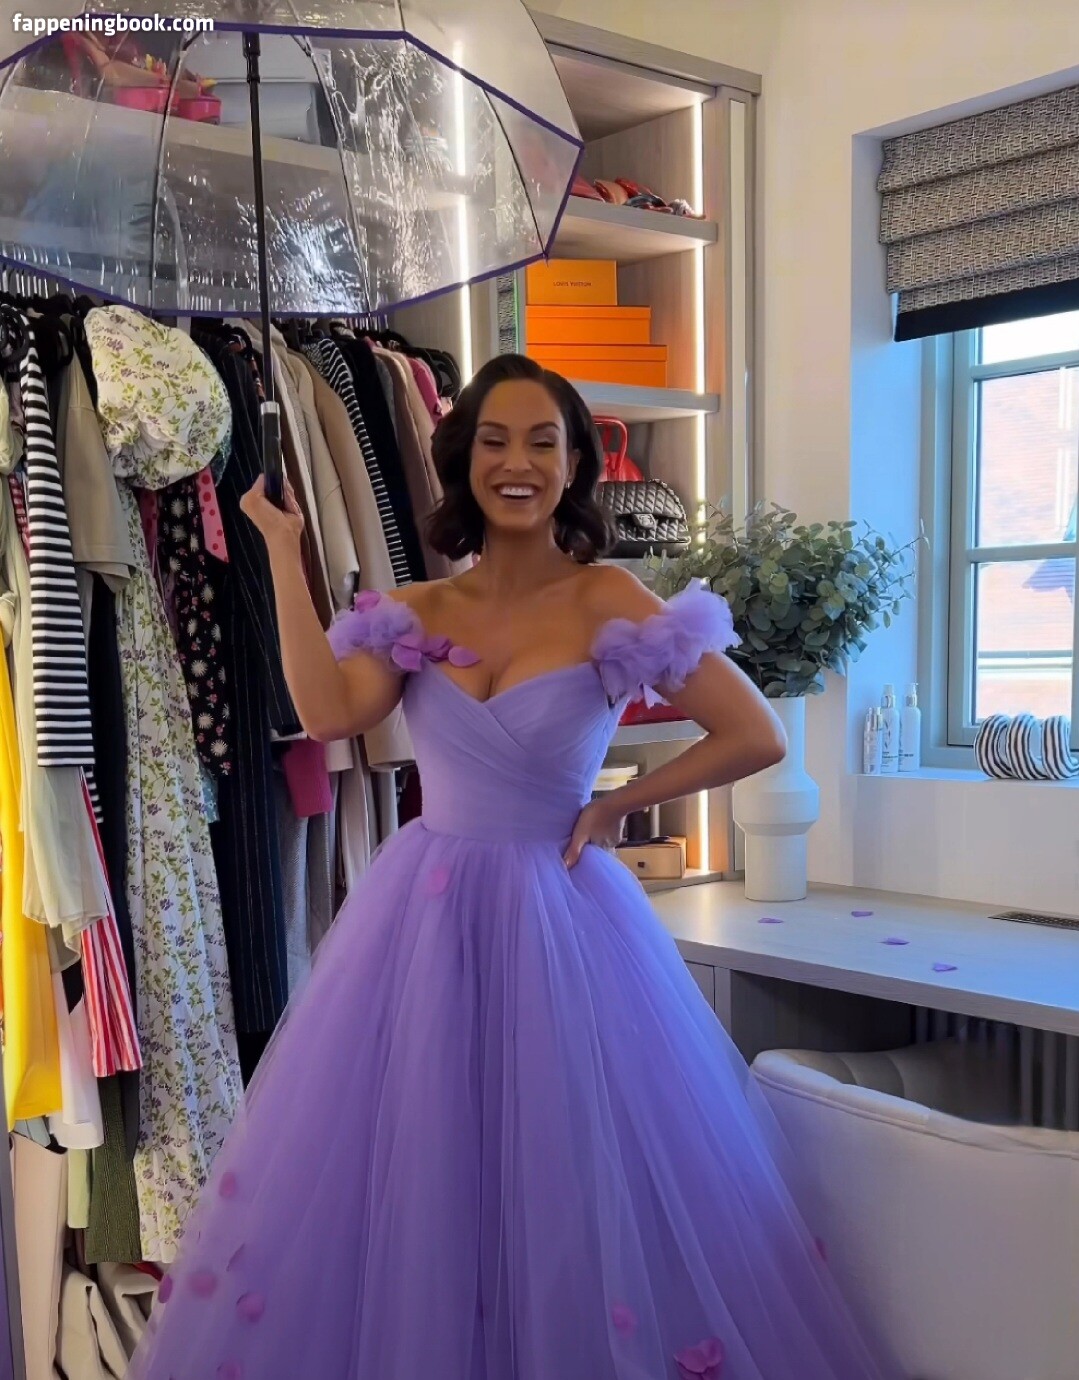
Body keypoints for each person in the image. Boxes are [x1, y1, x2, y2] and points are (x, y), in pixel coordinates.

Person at [129, 355, 896, 1380]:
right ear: (462, 460)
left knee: (560, 1169)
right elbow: (325, 713)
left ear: (574, 463)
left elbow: (754, 731)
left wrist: (616, 803)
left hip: (557, 918)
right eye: (493, 440)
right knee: (429, 1172)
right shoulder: (416, 609)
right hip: (423, 924)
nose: (517, 462)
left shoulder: (607, 597)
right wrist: (279, 547)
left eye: (542, 441)